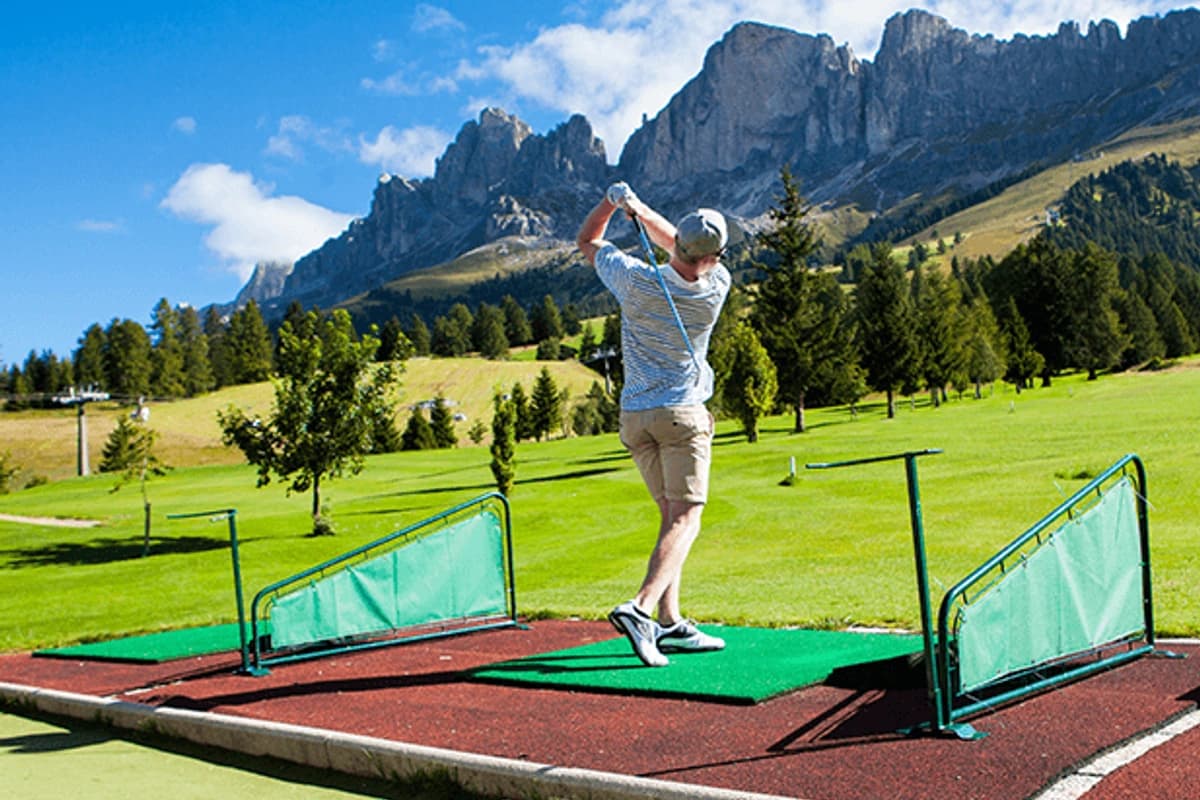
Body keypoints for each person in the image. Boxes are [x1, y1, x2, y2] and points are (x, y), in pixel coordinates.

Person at [576, 182, 732, 667]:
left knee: (670, 519)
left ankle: (671, 621)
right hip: (682, 416)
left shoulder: (634, 280)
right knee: (687, 518)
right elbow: (682, 251)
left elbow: (588, 240)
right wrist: (642, 213)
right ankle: (640, 609)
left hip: (635, 419)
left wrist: (615, 204)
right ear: (715, 256)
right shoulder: (717, 285)